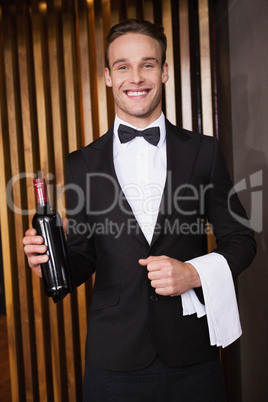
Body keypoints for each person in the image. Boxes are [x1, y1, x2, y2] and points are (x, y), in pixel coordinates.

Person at [23, 19, 256, 401]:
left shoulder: (204, 151)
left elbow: (242, 240)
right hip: (113, 357)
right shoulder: (80, 163)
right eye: (123, 66)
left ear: (164, 72)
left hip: (192, 355)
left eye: (148, 64)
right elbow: (84, 256)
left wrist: (193, 273)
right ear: (108, 76)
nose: (136, 77)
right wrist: (51, 259)